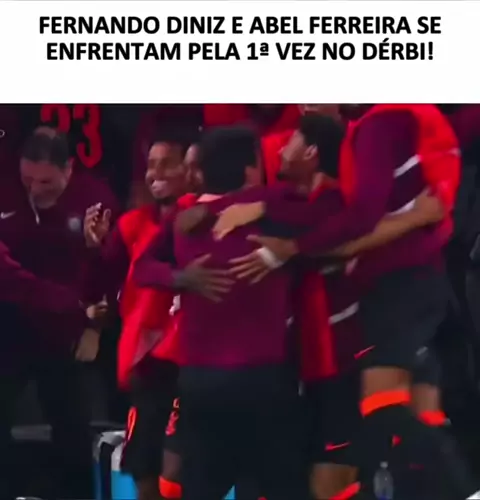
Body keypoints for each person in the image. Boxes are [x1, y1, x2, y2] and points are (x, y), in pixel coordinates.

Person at [211, 105, 480, 499]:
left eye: (293, 140)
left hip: (373, 320)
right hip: (369, 325)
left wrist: (290, 247)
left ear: (311, 152)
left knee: (384, 414)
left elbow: (357, 219)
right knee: (414, 422)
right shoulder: (313, 198)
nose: (281, 148)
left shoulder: (372, 138)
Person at [134, 126, 308, 500]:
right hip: (263, 379)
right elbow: (330, 205)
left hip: (201, 383)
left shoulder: (186, 220)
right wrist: (263, 204)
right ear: (250, 169)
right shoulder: (277, 208)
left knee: (201, 488)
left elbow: (142, 269)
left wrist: (181, 277)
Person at [0, 126, 118, 499]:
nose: (35, 190)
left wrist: (94, 325)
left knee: (72, 427)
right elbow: (10, 279)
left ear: (68, 169)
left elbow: (113, 270)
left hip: (65, 331)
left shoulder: (95, 200)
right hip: (10, 326)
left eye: (46, 182)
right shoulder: (5, 191)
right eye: (28, 180)